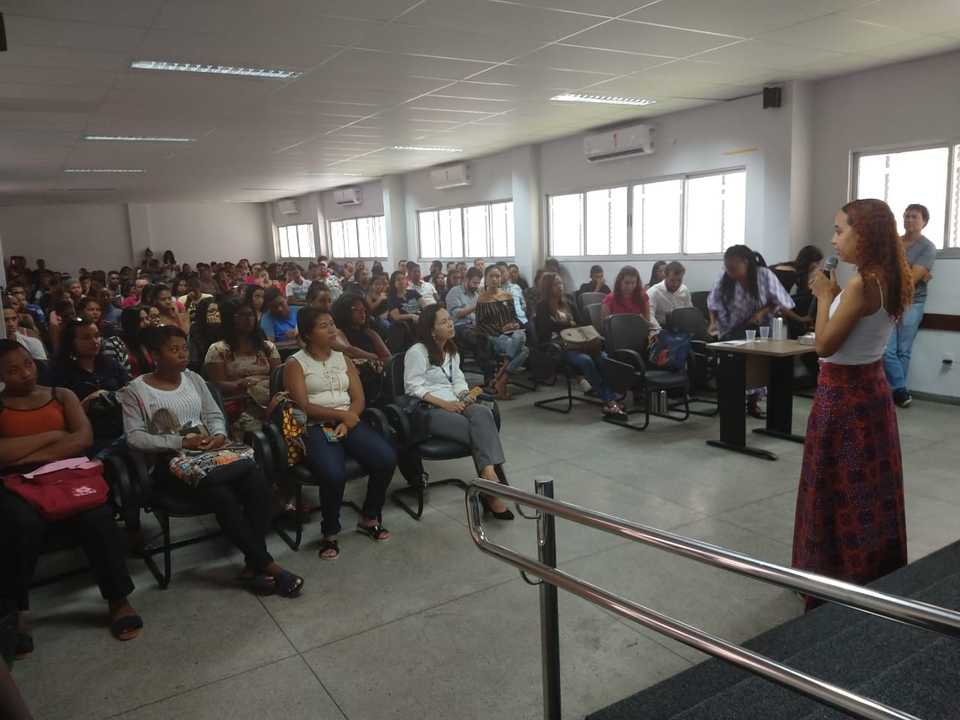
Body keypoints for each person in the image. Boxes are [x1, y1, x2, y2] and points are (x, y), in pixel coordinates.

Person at [121, 325, 303, 597]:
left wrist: (218, 435)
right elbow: (134, 437)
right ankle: (266, 564)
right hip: (171, 465)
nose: (182, 354)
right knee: (222, 495)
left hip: (211, 454)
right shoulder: (135, 391)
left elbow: (214, 414)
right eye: (173, 349)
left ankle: (253, 565)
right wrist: (180, 442)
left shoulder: (192, 378)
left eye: (184, 348)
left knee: (257, 480)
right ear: (154, 354)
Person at [792, 199, 912, 611]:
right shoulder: (887, 277)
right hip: (871, 393)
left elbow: (824, 344)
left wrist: (825, 296)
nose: (833, 238)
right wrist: (836, 294)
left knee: (836, 487)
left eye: (841, 230)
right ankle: (870, 571)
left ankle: (833, 579)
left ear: (865, 234)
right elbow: (859, 322)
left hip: (842, 398)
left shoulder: (863, 283)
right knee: (866, 488)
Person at [0, 340, 143, 650]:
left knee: (98, 516)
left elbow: (82, 439)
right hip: (19, 482)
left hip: (68, 472)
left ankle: (118, 599)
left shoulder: (61, 396)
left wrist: (23, 450)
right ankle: (19, 608)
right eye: (12, 370)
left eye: (27, 364)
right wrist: (53, 436)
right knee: (20, 523)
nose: (25, 373)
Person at [284, 306, 397, 560]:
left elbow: (358, 397)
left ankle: (369, 517)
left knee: (386, 458)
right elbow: (303, 406)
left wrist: (349, 418)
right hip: (315, 426)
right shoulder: (295, 363)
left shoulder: (342, 358)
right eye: (324, 326)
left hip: (349, 420)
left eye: (332, 323)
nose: (332, 329)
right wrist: (340, 416)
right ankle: (330, 533)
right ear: (308, 334)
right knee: (334, 474)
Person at [404, 305, 513, 519]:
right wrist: (444, 405)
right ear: (431, 329)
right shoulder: (417, 352)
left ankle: (487, 475)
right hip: (431, 410)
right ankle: (491, 488)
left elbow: (458, 378)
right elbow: (413, 387)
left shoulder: (451, 349)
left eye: (449, 320)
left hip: (456, 402)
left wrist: (464, 395)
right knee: (475, 430)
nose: (450, 323)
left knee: (483, 413)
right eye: (443, 322)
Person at [535, 273, 625, 418]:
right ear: (547, 287)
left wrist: (563, 324)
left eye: (560, 283)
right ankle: (609, 399)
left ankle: (609, 394)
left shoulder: (569, 301)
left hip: (580, 342)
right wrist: (567, 324)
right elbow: (545, 328)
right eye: (555, 284)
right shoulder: (542, 306)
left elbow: (582, 322)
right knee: (585, 361)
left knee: (603, 357)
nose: (560, 286)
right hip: (559, 346)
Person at [884, 203, 937, 408]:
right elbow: (882, 270)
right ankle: (900, 391)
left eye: (914, 217)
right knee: (886, 350)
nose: (909, 220)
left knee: (902, 351)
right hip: (888, 301)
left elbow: (912, 279)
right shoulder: (893, 242)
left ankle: (894, 392)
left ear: (924, 221)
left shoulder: (927, 247)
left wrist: (916, 273)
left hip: (912, 303)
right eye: (906, 216)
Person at [50, 318, 129, 455]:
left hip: (121, 428)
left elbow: (129, 388)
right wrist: (86, 403)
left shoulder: (109, 363)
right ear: (71, 342)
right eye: (86, 338)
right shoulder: (60, 371)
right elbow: (57, 417)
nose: (95, 341)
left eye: (97, 336)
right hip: (86, 436)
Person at [204, 299, 280, 439]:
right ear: (230, 318)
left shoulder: (267, 347)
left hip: (269, 398)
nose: (248, 319)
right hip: (238, 402)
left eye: (251, 314)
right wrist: (240, 384)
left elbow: (277, 377)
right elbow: (216, 384)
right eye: (242, 315)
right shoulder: (218, 349)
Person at [706, 246, 796, 340]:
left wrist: (761, 313)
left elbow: (779, 301)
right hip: (730, 330)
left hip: (762, 329)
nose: (729, 271)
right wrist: (712, 323)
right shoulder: (723, 278)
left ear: (745, 262)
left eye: (732, 268)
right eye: (726, 268)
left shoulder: (764, 275)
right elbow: (713, 304)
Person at [476, 265, 528, 399]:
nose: (494, 279)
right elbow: (481, 325)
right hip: (495, 337)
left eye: (497, 276)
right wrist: (501, 329)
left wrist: (515, 324)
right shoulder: (482, 299)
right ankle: (502, 380)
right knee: (523, 350)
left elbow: (515, 317)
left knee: (520, 337)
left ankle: (499, 379)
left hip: (511, 334)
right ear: (486, 279)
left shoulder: (508, 296)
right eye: (491, 276)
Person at [600, 266, 661, 334]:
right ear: (619, 282)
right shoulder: (609, 299)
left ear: (637, 283)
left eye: (633, 283)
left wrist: (643, 322)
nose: (630, 286)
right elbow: (605, 327)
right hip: (617, 335)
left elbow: (647, 321)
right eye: (626, 283)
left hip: (637, 333)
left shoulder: (643, 297)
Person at [647, 261, 693, 327]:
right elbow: (650, 316)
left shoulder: (684, 290)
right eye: (672, 280)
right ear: (665, 276)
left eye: (679, 280)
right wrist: (659, 331)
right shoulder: (653, 292)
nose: (676, 284)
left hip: (681, 327)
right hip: (661, 327)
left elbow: (689, 312)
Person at [187, 297, 222, 372]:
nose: (217, 314)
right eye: (212, 311)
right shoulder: (195, 329)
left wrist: (217, 329)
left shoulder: (225, 327)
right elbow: (194, 361)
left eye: (218, 311)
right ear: (203, 313)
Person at [498, 261, 528, 327]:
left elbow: (524, 304)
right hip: (505, 321)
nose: (501, 275)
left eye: (503, 272)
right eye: (499, 273)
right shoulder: (495, 290)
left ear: (508, 272)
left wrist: (523, 312)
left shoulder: (516, 287)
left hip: (521, 319)